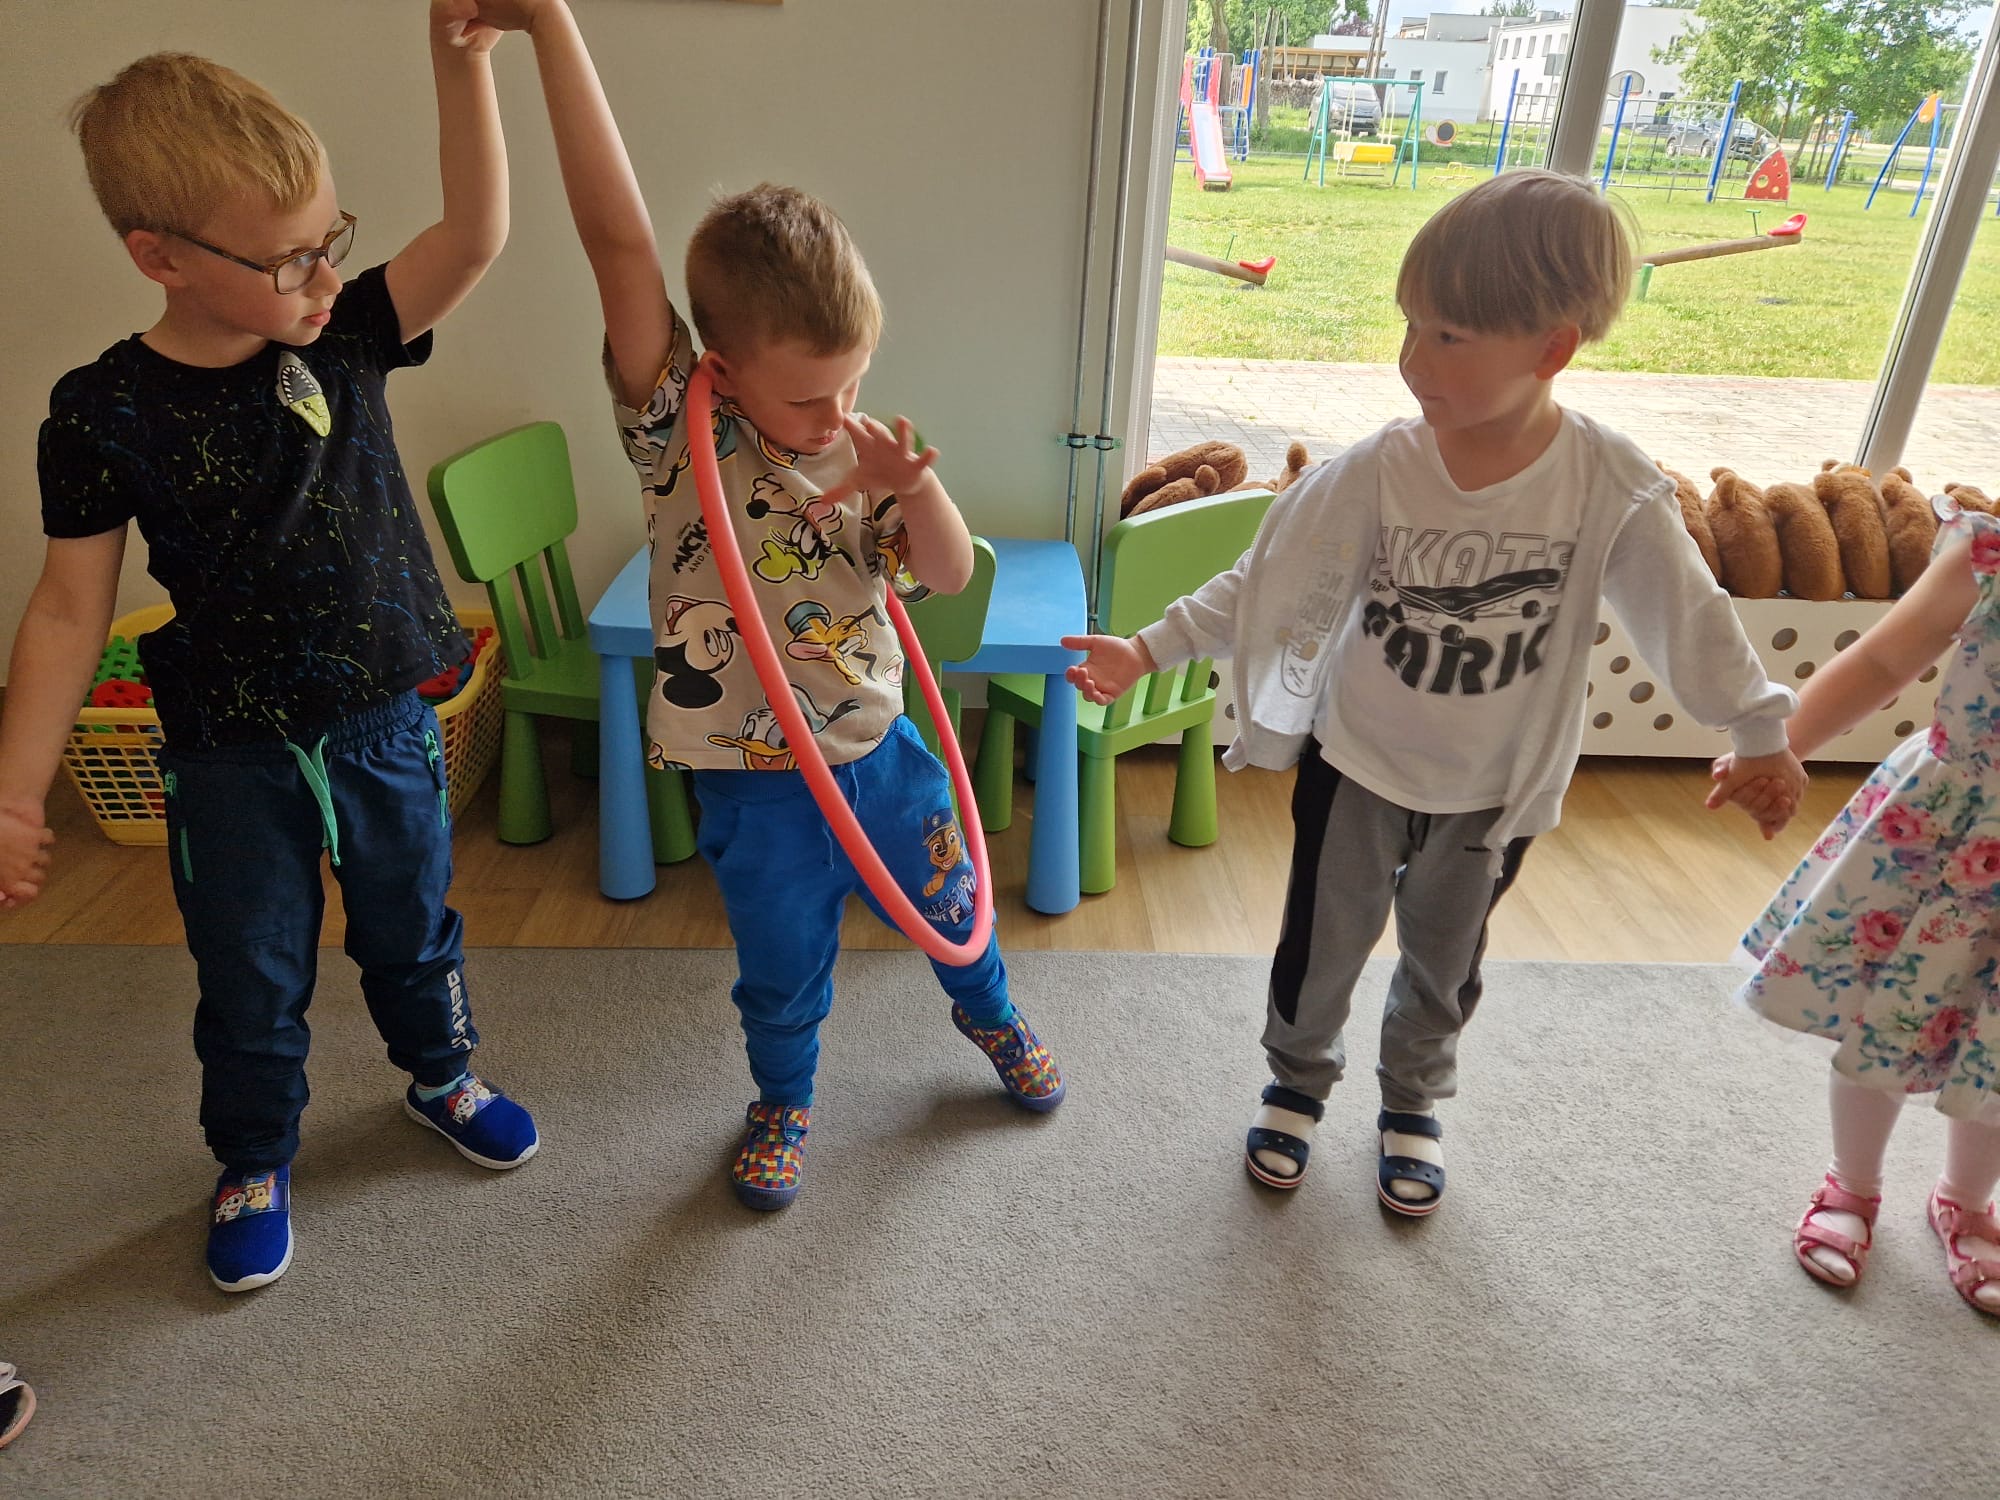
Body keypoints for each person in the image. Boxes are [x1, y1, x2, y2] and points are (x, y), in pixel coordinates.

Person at [1063, 170, 1805, 1214]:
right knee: (1321, 944)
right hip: (1357, 764)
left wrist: (1757, 726)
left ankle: (1411, 1100)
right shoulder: (1381, 467)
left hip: (1494, 793)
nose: (1412, 358)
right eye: (1409, 325)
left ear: (1552, 348)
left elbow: (1686, 612)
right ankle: (1295, 1082)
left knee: (1444, 960)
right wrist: (1148, 649)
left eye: (1448, 336)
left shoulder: (1606, 483)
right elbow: (1273, 575)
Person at [0, 7, 538, 1293]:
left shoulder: (344, 332)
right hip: (228, 753)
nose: (321, 279)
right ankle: (251, 1156)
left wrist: (461, 61)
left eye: (328, 242)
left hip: (382, 717)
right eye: (287, 260)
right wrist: (16, 791)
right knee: (249, 971)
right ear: (159, 257)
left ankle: (441, 1076)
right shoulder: (99, 411)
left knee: (412, 926)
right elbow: (70, 608)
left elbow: (474, 232)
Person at [492, 0, 1062, 1209]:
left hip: (879, 756)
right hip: (751, 783)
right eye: (806, 397)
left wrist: (917, 488)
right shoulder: (672, 430)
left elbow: (947, 577)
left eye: (852, 382)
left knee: (952, 908)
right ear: (720, 368)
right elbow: (617, 244)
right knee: (780, 968)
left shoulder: (864, 455)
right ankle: (785, 1100)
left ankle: (994, 1016)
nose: (833, 415)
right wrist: (546, 23)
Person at [1719, 502, 2000, 1318]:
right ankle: (1853, 1183)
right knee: (1889, 1015)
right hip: (1945, 836)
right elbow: (1880, 662)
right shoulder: (1985, 557)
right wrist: (1775, 749)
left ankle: (1966, 1201)